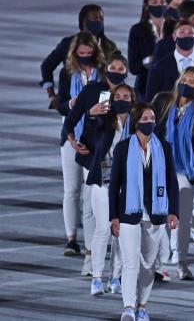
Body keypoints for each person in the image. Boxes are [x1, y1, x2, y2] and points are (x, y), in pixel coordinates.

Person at [62, 53, 130, 277]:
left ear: (126, 72)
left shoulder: (129, 96)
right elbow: (71, 120)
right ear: (106, 68)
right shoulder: (92, 91)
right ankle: (91, 257)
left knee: (119, 211)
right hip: (93, 157)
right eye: (113, 67)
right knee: (90, 208)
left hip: (122, 162)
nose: (117, 71)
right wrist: (74, 139)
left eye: (121, 68)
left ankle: (119, 263)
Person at [109, 103, 179, 321]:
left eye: (152, 119)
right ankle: (128, 307)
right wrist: (113, 216)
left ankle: (142, 306)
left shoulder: (164, 148)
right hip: (129, 214)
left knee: (148, 265)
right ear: (136, 122)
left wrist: (173, 211)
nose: (150, 122)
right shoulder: (122, 148)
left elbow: (172, 183)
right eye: (146, 119)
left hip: (156, 215)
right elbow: (114, 185)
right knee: (130, 263)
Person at [152, 67, 194, 280]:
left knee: (183, 217)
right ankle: (161, 261)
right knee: (162, 216)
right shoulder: (162, 101)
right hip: (161, 168)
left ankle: (182, 260)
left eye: (192, 82)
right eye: (184, 79)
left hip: (185, 171)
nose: (186, 83)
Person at [56, 33, 105, 265]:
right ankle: (71, 238)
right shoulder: (67, 73)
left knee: (90, 191)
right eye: (81, 54)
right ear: (75, 53)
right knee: (71, 189)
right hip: (71, 133)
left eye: (89, 54)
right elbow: (60, 105)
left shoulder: (102, 73)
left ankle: (92, 242)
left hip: (93, 137)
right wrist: (72, 104)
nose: (85, 58)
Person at [86, 83, 134, 295]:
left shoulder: (137, 123)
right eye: (118, 96)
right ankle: (96, 277)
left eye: (127, 96)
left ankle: (115, 276)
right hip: (103, 180)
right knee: (103, 228)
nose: (122, 99)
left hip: (128, 183)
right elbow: (91, 128)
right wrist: (90, 113)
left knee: (121, 231)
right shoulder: (105, 119)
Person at [41, 4, 119, 109]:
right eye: (95, 18)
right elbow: (46, 66)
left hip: (101, 104)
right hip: (72, 104)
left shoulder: (110, 47)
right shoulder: (67, 44)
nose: (99, 21)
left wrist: (104, 107)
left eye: (101, 18)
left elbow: (116, 77)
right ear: (84, 21)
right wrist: (51, 96)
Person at [145, 20, 194, 102]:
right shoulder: (159, 67)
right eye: (182, 32)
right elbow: (151, 100)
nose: (186, 35)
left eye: (190, 33)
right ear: (174, 36)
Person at [128, 0, 168, 98]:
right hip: (145, 87)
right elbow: (133, 67)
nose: (159, 5)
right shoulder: (137, 30)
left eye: (162, 2)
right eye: (154, 2)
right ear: (146, 6)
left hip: (171, 87)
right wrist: (148, 61)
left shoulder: (174, 27)